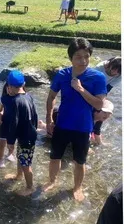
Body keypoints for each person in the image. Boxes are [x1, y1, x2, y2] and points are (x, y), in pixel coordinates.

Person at [44, 37, 108, 202]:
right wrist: (49, 119)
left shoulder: (98, 77)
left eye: (86, 56)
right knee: (55, 157)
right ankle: (52, 181)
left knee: (80, 161)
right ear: (71, 58)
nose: (83, 60)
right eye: (78, 56)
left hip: (83, 127)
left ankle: (77, 187)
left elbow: (99, 104)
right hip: (62, 124)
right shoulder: (62, 74)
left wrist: (80, 89)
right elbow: (51, 96)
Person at [2, 71, 39, 197]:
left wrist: (10, 142)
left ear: (10, 86)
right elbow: (35, 115)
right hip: (29, 134)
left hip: (25, 137)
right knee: (21, 157)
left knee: (26, 163)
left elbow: (13, 124)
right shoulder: (28, 96)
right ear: (23, 84)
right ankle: (18, 176)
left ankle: (30, 187)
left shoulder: (14, 102)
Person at [92, 57, 120, 145]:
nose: (115, 73)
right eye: (113, 70)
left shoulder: (120, 75)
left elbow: (107, 89)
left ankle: (97, 136)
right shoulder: (99, 68)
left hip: (102, 91)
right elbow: (89, 85)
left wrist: (101, 101)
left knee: (101, 111)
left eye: (118, 72)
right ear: (109, 65)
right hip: (90, 87)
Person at [0, 81, 17, 166]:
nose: (9, 90)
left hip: (14, 124)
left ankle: (10, 154)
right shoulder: (4, 99)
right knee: (2, 143)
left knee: (12, 143)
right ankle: (0, 159)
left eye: (11, 88)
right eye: (7, 88)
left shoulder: (18, 98)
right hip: (4, 124)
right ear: (5, 89)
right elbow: (0, 110)